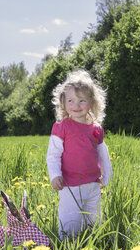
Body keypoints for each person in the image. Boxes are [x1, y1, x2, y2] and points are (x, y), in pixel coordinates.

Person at [46, 70, 112, 240]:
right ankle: (67, 246)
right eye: (71, 101)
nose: (76, 105)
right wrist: (55, 175)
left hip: (93, 184)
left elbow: (102, 153)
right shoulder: (62, 127)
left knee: (94, 219)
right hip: (70, 184)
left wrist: (106, 176)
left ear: (92, 102)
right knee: (70, 219)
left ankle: (93, 242)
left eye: (82, 100)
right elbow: (53, 154)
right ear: (63, 102)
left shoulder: (96, 129)